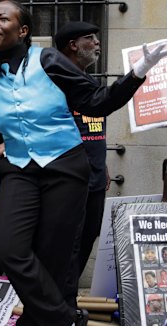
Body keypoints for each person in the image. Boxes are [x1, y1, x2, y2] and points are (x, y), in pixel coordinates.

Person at [0, 1, 167, 326]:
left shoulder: (49, 60)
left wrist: (137, 74)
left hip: (65, 168)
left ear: (23, 31)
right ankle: (65, 318)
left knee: (54, 259)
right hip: (19, 170)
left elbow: (97, 102)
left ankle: (39, 321)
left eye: (3, 19)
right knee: (9, 248)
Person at [54, 21, 118, 275]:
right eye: (90, 38)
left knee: (89, 234)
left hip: (96, 178)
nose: (97, 43)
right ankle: (59, 297)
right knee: (67, 241)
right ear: (73, 45)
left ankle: (66, 297)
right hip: (70, 179)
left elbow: (91, 128)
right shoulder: (56, 84)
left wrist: (102, 165)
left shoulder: (89, 81)